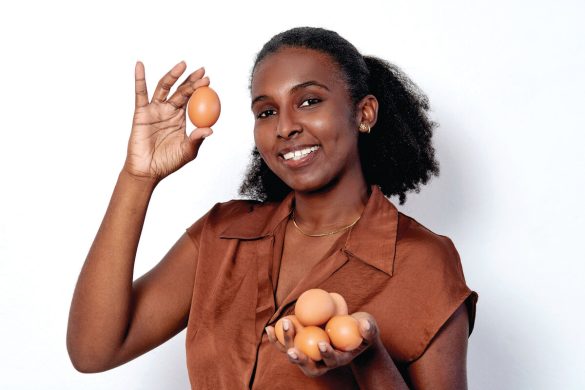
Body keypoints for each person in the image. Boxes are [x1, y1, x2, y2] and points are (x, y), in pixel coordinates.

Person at [67, 27, 477, 389]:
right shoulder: (222, 235)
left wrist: (368, 358)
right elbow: (93, 352)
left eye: (309, 101)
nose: (284, 127)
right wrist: (138, 178)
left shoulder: (422, 261)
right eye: (266, 111)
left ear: (364, 112)